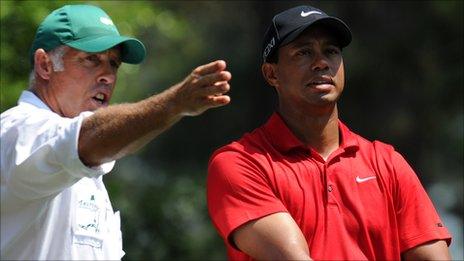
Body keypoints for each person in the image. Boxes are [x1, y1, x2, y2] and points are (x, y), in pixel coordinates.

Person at [207, 5, 452, 260]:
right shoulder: (240, 163)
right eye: (303, 52)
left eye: (331, 51)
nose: (321, 62)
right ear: (272, 73)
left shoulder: (387, 162)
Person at [1, 4, 231, 260]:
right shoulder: (18, 130)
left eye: (113, 63)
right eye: (91, 59)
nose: (108, 76)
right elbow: (84, 139)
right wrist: (173, 104)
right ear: (45, 65)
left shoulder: (83, 161)